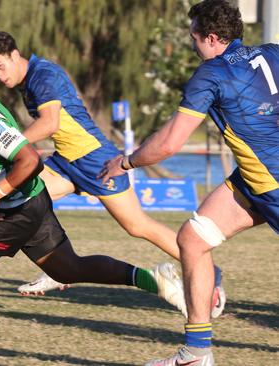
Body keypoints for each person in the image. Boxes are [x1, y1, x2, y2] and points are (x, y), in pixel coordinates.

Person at [0, 43, 185, 366]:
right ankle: (153, 278)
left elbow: (29, 160)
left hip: (14, 210)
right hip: (28, 203)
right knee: (69, 268)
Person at [0, 31, 228, 317]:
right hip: (67, 161)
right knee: (27, 199)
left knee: (137, 226)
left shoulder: (42, 75)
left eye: (0, 67)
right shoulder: (28, 81)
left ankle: (212, 273)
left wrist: (10, 147)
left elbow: (49, 123)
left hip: (95, 160)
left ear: (15, 55)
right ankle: (60, 268)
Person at [99, 1, 279, 364]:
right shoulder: (272, 53)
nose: (193, 44)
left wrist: (127, 161)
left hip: (271, 182)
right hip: (252, 181)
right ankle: (196, 354)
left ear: (211, 38)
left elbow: (168, 143)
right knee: (192, 240)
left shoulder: (211, 74)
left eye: (194, 36)